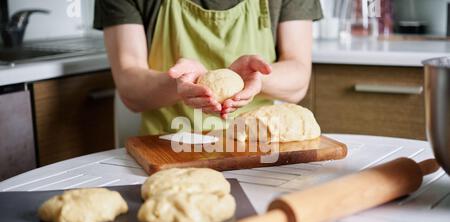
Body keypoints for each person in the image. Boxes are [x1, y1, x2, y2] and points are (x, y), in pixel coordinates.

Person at [94, 0, 323, 135]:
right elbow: (130, 87)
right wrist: (178, 84)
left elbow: (298, 77)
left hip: (257, 147)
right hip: (167, 147)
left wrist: (259, 79)